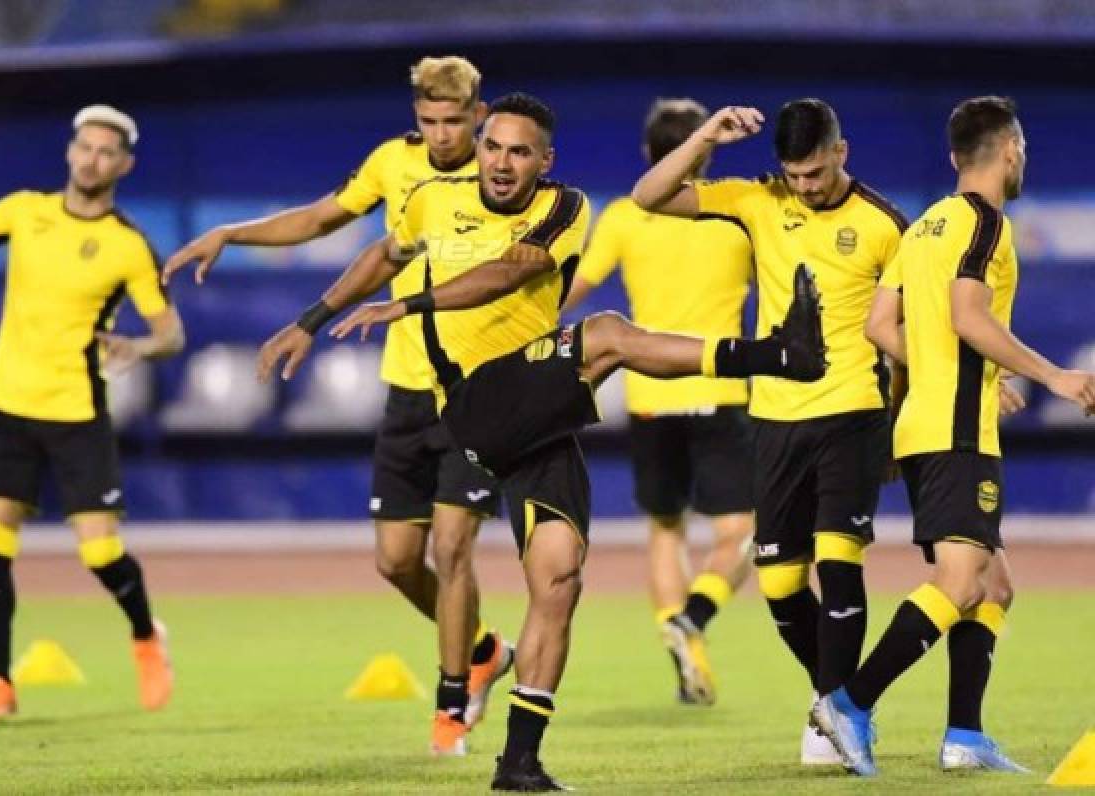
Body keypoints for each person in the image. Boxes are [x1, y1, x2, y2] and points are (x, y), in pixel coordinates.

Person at [257, 93, 826, 792]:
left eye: (520, 151)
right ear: (480, 147)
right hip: (470, 403)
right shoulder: (434, 199)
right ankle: (777, 355)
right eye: (493, 146)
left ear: (543, 161)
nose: (502, 161)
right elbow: (384, 255)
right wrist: (312, 321)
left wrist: (407, 304)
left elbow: (514, 272)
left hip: (534, 413)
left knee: (558, 580)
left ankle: (519, 761)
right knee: (609, 334)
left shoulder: (566, 207)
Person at [161, 55, 512, 755]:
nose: (442, 135)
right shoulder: (396, 167)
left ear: (478, 116)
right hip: (408, 388)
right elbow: (325, 220)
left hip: (480, 394)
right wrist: (235, 236)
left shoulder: (504, 177)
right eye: (428, 122)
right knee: (396, 561)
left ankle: (449, 710)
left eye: (454, 122)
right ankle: (482, 650)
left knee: (453, 546)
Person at [812, 96, 1095, 777]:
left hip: (922, 426)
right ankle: (848, 703)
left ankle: (964, 737)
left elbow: (883, 327)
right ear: (1011, 150)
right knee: (962, 580)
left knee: (994, 588)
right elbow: (969, 316)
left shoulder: (923, 228)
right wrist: (1053, 373)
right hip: (956, 431)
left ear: (953, 157)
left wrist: (962, 370)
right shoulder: (987, 224)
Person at [633, 99, 908, 764]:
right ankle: (832, 698)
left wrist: (897, 422)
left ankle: (841, 716)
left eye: (815, 172)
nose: (805, 186)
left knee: (840, 566)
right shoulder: (759, 199)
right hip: (776, 418)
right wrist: (707, 136)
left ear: (841, 152)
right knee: (782, 587)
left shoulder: (884, 226)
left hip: (853, 411)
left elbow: (903, 335)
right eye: (795, 174)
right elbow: (649, 196)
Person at [0, 104, 184, 719]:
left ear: (124, 165)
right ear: (69, 151)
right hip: (7, 408)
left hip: (76, 412)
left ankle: (144, 637)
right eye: (85, 147)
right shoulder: (24, 210)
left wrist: (138, 343)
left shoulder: (128, 246)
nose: (92, 159)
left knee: (100, 554)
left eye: (107, 152)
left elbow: (170, 334)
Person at [561, 98, 755, 706]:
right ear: (708, 149)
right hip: (721, 391)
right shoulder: (735, 214)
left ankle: (684, 652)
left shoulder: (623, 216)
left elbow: (572, 292)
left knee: (665, 530)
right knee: (740, 531)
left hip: (647, 394)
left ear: (649, 154)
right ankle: (693, 617)